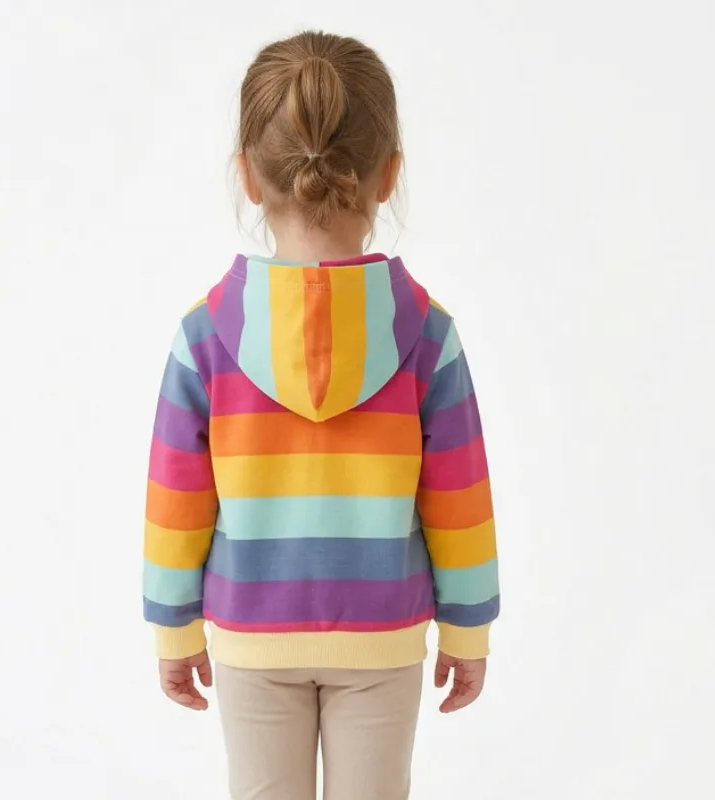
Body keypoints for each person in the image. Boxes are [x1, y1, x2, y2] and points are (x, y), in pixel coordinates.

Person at [142, 29, 500, 800]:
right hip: (384, 634)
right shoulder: (426, 335)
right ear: (389, 174)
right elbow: (459, 497)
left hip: (251, 633)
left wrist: (174, 625)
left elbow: (177, 500)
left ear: (247, 175)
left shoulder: (204, 337)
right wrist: (468, 626)